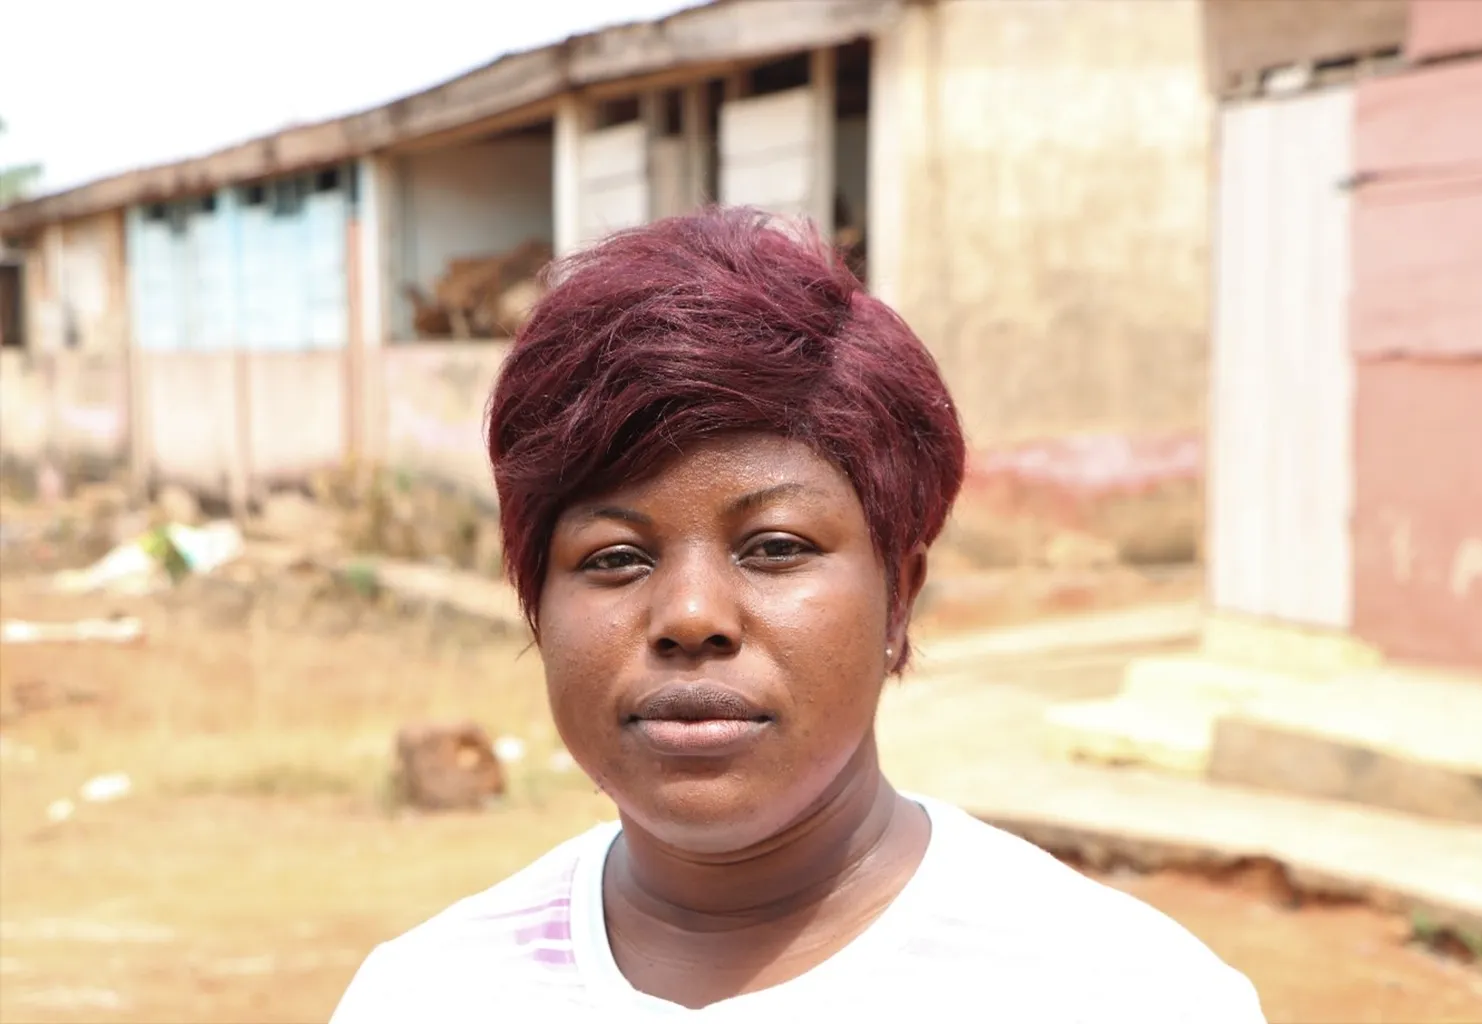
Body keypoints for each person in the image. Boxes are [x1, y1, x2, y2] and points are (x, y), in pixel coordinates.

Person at [331, 208, 1266, 1022]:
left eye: (775, 546)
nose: (691, 615)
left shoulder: (1126, 995)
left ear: (900, 594)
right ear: (535, 602)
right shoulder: (426, 995)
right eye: (614, 558)